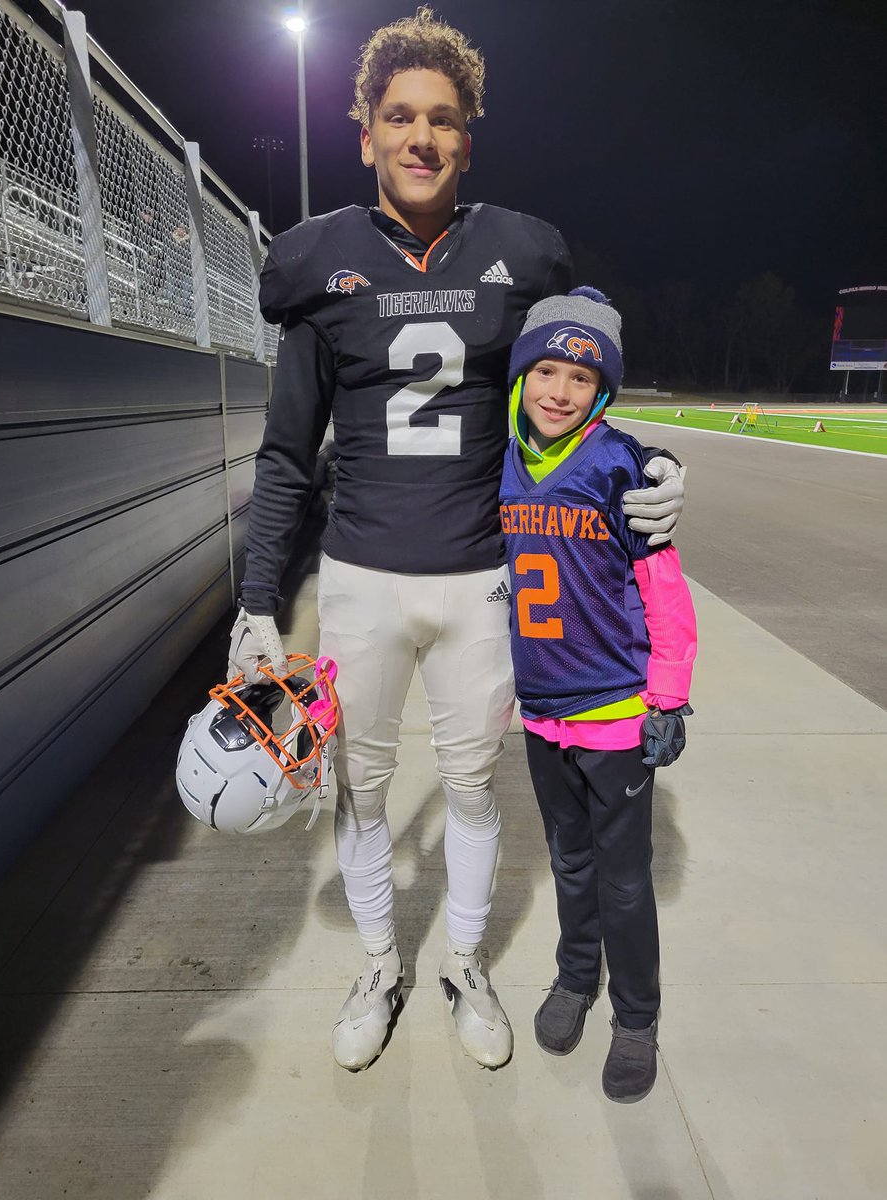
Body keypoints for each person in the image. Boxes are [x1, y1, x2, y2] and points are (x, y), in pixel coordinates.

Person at [227, 7, 686, 1072]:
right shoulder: (320, 264)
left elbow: (580, 392)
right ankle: (382, 960)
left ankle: (464, 960)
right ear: (366, 133)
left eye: (442, 119)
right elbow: (288, 454)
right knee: (364, 787)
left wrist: (654, 471)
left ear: (467, 136)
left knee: (476, 787)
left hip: (484, 580)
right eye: (400, 117)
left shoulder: (522, 253)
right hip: (359, 580)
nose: (420, 137)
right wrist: (257, 597)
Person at [499, 286, 696, 1101]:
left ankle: (637, 1015)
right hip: (541, 713)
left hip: (613, 709)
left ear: (603, 391)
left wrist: (670, 696)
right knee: (568, 864)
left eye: (580, 380)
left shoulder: (621, 465)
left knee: (622, 877)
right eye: (544, 370)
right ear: (519, 377)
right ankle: (575, 977)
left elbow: (665, 590)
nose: (558, 390)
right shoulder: (500, 457)